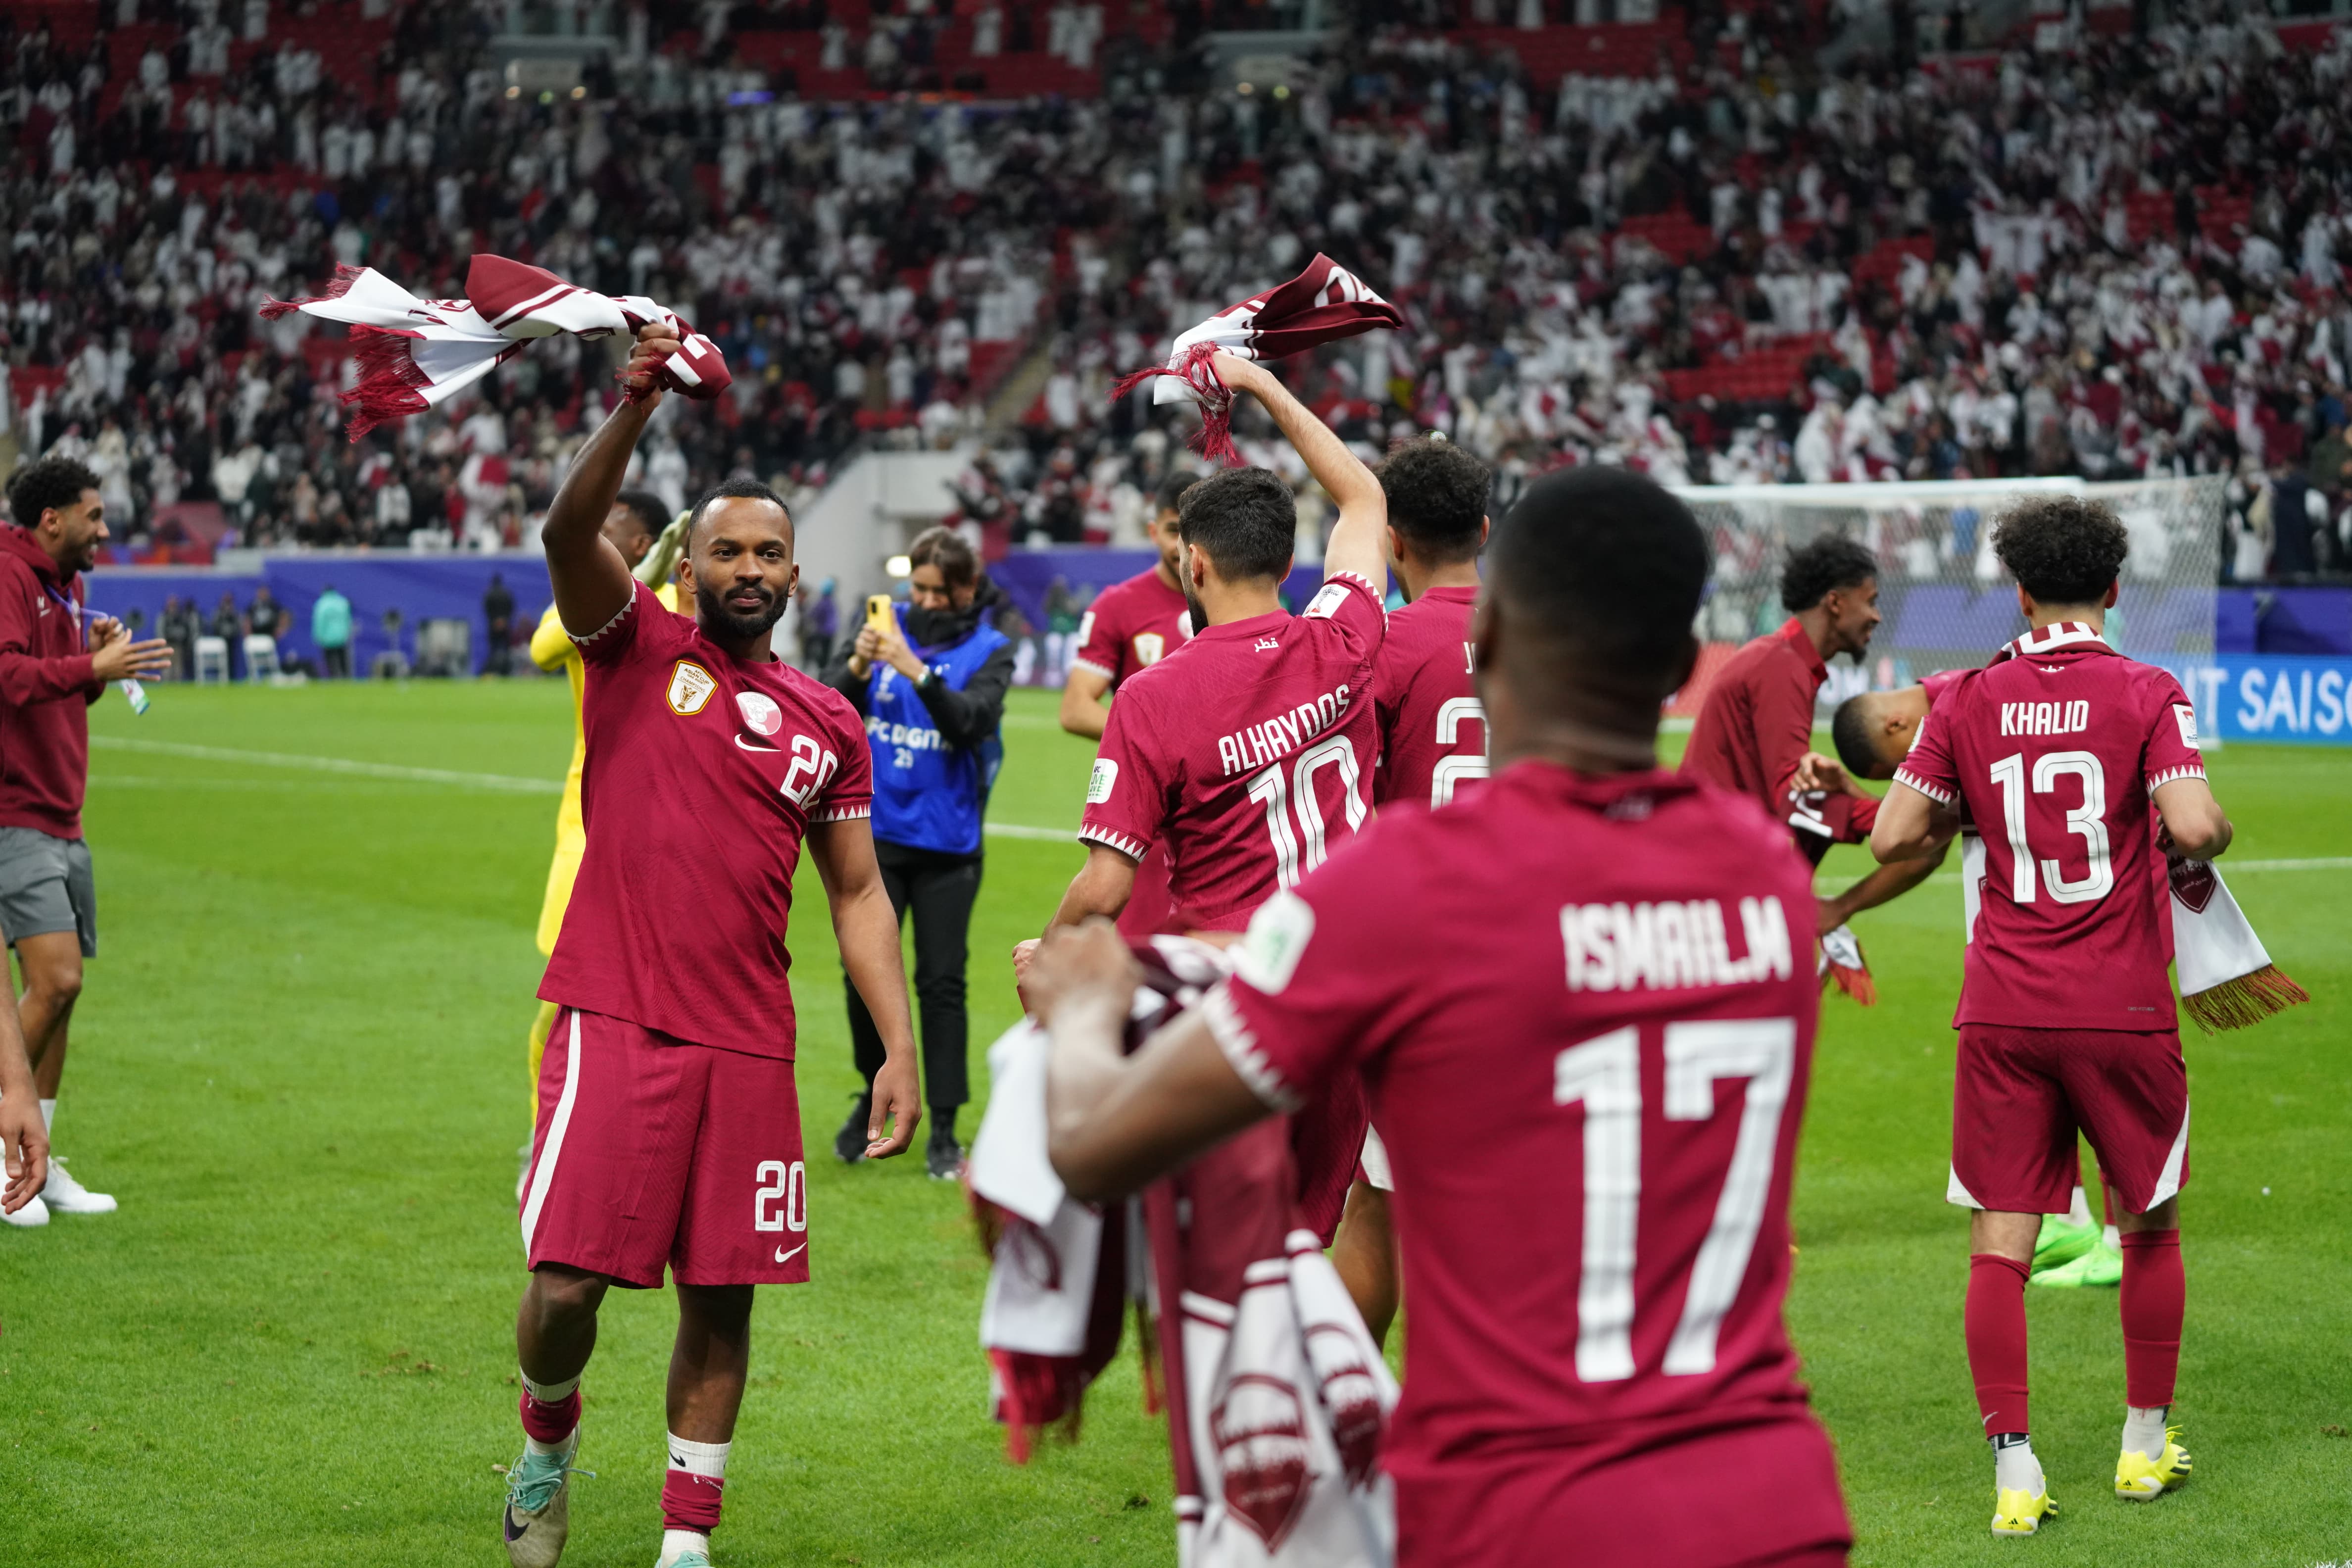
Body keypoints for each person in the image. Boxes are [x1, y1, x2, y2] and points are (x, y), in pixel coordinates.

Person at [1022, 466, 1852, 1568]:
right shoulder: (1760, 878)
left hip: (1525, 1509)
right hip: (1772, 1504)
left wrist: (1083, 1002)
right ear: (1673, 670)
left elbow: (1095, 1147)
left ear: (1490, 633)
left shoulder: (1408, 888)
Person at [502, 325, 922, 1568]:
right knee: (569, 1285)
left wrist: (896, 1047)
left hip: (749, 1040)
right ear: (688, 564)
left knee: (723, 1294)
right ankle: (545, 1434)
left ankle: (687, 1541)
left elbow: (855, 895)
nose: (749, 568)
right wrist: (638, 399)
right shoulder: (633, 647)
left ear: (797, 575)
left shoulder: (825, 719)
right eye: (727, 549)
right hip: (613, 1012)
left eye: (771, 554)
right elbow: (567, 536)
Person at [1869, 494, 2228, 1538]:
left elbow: (1895, 837)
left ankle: (2015, 1470)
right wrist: (2201, 831)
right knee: (2147, 1223)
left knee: (2001, 1243)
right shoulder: (2147, 687)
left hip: (2004, 1009)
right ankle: (2140, 1449)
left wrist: (1962, 786)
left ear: (2018, 593)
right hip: (2119, 1004)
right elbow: (2197, 825)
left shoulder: (1970, 695)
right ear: (2115, 590)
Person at [1019, 351, 1389, 1245]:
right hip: (1352, 984)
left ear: (1192, 563)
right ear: (1287, 560)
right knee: (1311, 1238)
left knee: (1223, 1256)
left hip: (1238, 999)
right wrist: (1262, 386)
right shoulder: (1343, 635)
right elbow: (1366, 501)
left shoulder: (1153, 696)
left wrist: (1053, 951)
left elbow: (1108, 887)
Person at [1824, 678, 2120, 1290]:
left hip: (2071, 921)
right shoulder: (1979, 696)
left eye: (1898, 767)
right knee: (2062, 1072)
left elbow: (1921, 839)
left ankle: (2117, 1242)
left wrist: (1843, 903)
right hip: (2060, 921)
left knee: (2095, 1070)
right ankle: (2073, 1218)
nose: (1910, 774)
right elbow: (1934, 826)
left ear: (1898, 729)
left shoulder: (1966, 706)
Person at [1330, 432, 1492, 1350]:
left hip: (1415, 960)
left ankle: (1344, 1419)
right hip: (1538, 955)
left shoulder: (1380, 645)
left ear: (1390, 541)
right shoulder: (1551, 639)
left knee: (1380, 1200)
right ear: (1483, 528)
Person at [0, 457, 175, 1230]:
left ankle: (41, 1157)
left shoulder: (65, 586)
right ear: (52, 520)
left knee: (63, 1001)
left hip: (63, 812)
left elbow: (58, 680)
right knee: (58, 981)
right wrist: (88, 663)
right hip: (16, 811)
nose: (106, 529)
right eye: (95, 516)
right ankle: (7, 1149)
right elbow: (7, 676)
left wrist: (96, 668)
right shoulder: (8, 573)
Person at [825, 527, 1014, 1179]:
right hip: (876, 838)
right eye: (919, 589)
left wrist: (911, 667)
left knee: (941, 984)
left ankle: (945, 1127)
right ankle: (869, 1096)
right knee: (864, 982)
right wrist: (856, 664)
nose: (926, 602)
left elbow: (970, 723)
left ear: (966, 589)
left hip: (948, 846)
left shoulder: (993, 649)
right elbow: (824, 708)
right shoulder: (881, 624)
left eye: (939, 591)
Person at [519, 489, 677, 1148]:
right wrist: (633, 586)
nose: (592, 533)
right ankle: (547, 1132)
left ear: (644, 542)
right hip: (583, 831)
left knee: (658, 997)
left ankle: (641, 1128)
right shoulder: (593, 596)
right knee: (559, 995)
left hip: (664, 833)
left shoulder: (680, 605)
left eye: (609, 525)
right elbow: (543, 647)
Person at [1683, 535, 1942, 934]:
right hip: (1713, 873)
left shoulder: (1784, 661)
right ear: (1836, 603)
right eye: (1870, 601)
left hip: (1720, 862)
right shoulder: (1780, 666)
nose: (1877, 617)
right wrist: (1889, 821)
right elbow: (1794, 797)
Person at [1057, 468, 1197, 939]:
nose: (1183, 543)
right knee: (1142, 944)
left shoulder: (1236, 602)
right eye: (1175, 529)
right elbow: (1076, 709)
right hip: (1149, 807)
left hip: (1222, 798)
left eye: (1194, 531)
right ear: (1154, 529)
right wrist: (1164, 748)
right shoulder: (1119, 605)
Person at [311, 584, 354, 680]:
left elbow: (319, 622)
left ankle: (333, 678)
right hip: (342, 637)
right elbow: (348, 620)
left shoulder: (322, 604)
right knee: (343, 659)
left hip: (327, 638)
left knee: (330, 660)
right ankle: (347, 678)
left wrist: (318, 636)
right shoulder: (343, 602)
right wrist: (347, 634)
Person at [798, 578, 838, 672]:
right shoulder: (832, 602)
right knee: (826, 654)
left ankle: (815, 668)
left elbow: (813, 615)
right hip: (830, 633)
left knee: (818, 653)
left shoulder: (823, 602)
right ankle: (823, 669)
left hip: (823, 633)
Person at [483, 572, 517, 677]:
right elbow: (511, 608)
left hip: (493, 626)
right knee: (506, 650)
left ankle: (493, 672)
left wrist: (495, 621)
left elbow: (487, 609)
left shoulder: (489, 594)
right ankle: (506, 672)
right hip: (505, 625)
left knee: (493, 650)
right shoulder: (507, 594)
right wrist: (504, 620)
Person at [160, 593, 200, 680]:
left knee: (178, 667)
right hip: (168, 645)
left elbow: (185, 629)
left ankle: (177, 684)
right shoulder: (165, 616)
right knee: (167, 666)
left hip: (178, 645)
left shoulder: (181, 616)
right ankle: (166, 683)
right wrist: (162, 643)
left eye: (174, 605)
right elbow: (160, 630)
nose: (173, 607)